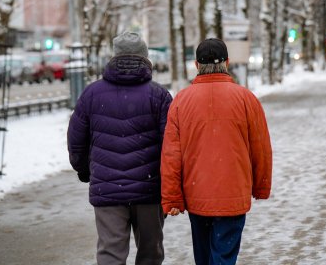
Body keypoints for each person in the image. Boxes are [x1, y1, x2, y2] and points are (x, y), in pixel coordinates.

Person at [161, 38, 273, 265]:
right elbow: (260, 147)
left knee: (202, 257)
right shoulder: (246, 99)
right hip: (233, 193)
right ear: (227, 63)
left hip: (197, 195)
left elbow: (171, 153)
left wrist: (172, 197)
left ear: (196, 65)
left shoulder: (181, 100)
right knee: (223, 257)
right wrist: (260, 185)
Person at [67, 31, 172, 265]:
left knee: (110, 254)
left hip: (108, 190)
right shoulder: (159, 95)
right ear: (145, 59)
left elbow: (76, 139)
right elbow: (172, 144)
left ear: (114, 58)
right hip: (149, 188)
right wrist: (169, 181)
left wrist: (84, 170)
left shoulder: (91, 93)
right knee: (150, 253)